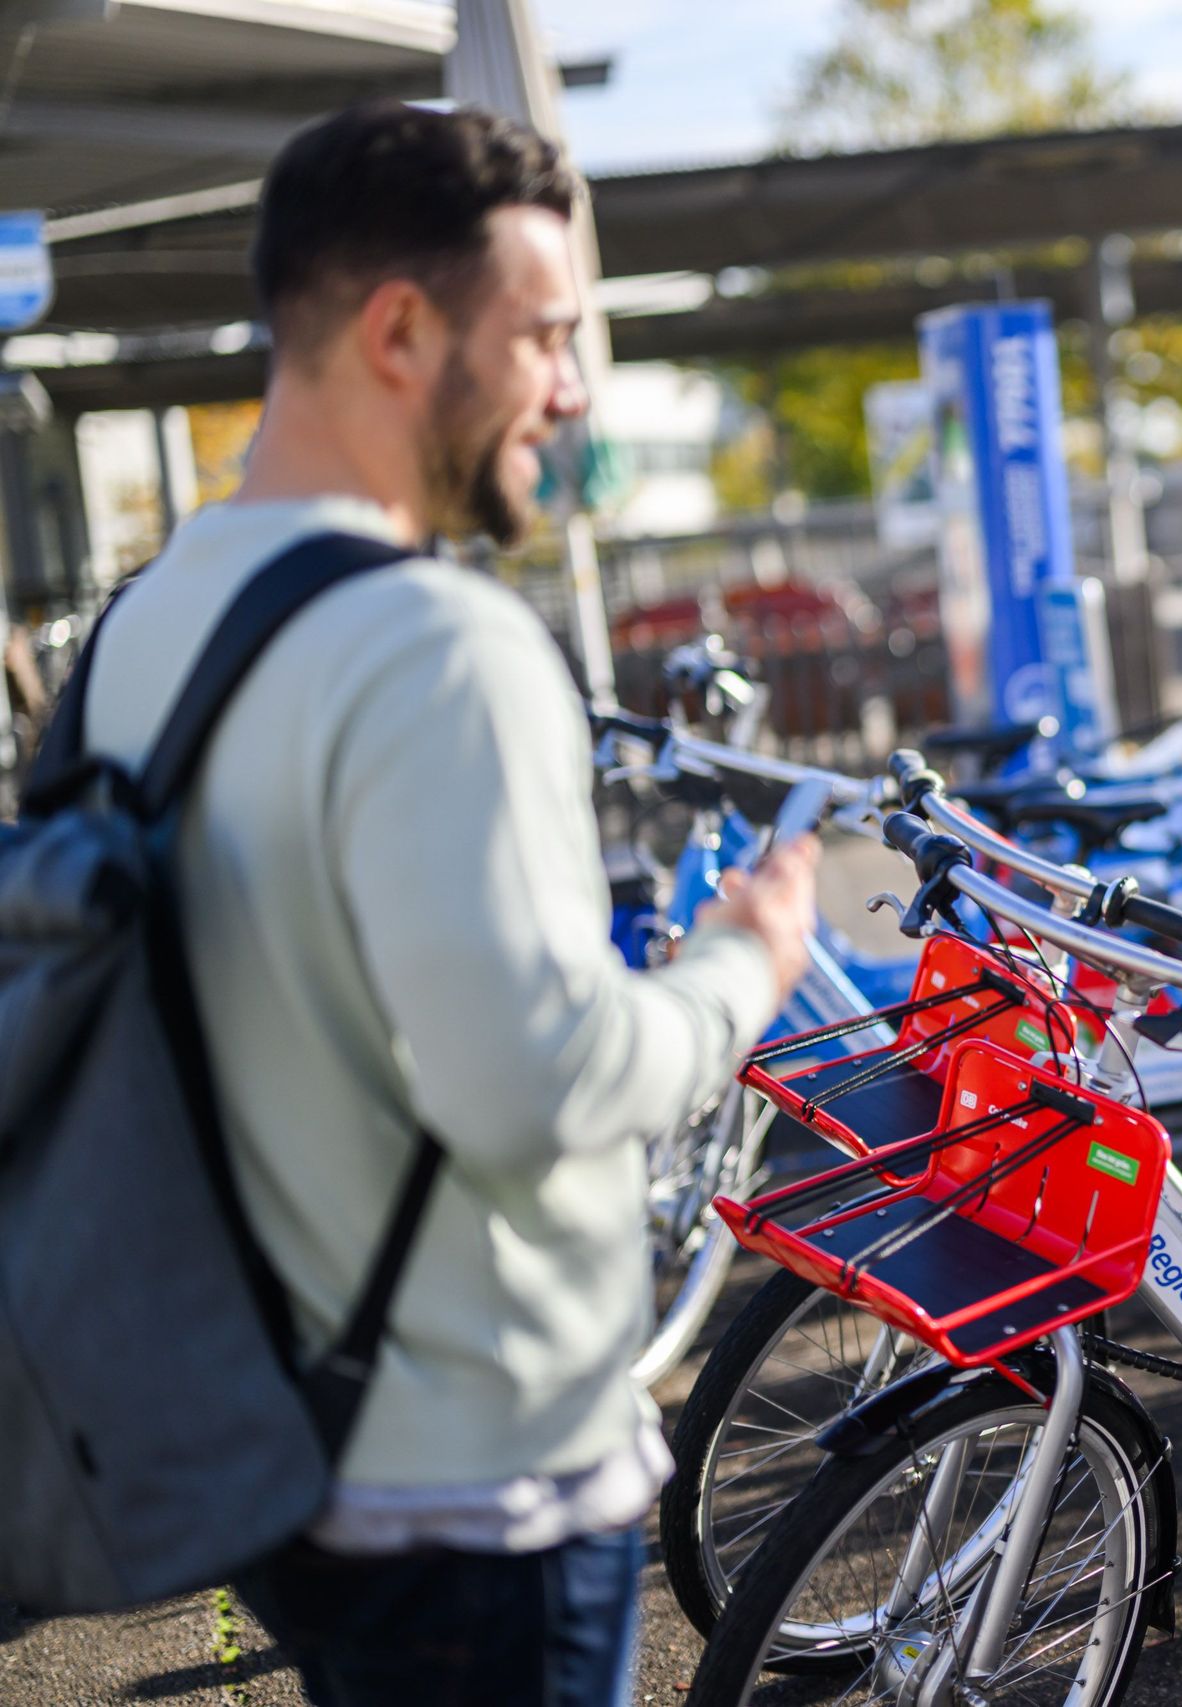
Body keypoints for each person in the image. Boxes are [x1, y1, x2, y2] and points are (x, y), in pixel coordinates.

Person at [77, 100, 818, 1705]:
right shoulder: (441, 650)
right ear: (402, 329)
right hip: (483, 1484)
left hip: (268, 1438)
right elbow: (532, 1081)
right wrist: (737, 972)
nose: (571, 387)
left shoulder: (144, 629)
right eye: (546, 334)